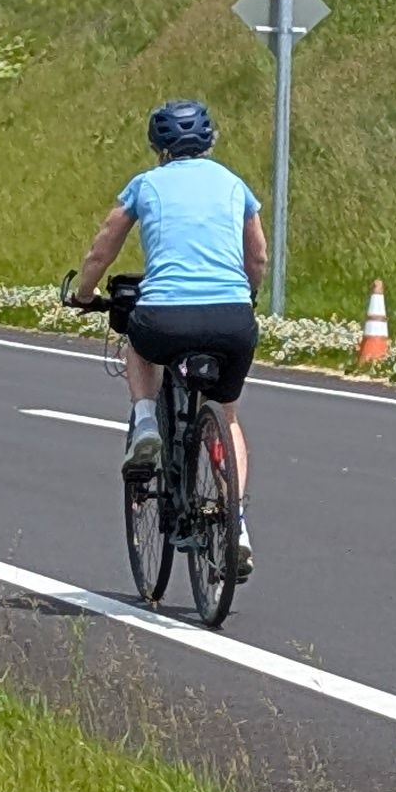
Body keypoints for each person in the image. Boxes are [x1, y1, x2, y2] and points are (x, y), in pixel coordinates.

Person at [63, 97, 267, 578]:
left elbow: (104, 245)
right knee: (228, 417)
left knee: (138, 341)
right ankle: (236, 526)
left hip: (165, 317)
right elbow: (256, 255)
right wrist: (248, 295)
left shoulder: (145, 185)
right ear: (210, 141)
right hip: (232, 318)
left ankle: (147, 421)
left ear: (158, 147)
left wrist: (85, 292)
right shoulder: (235, 185)